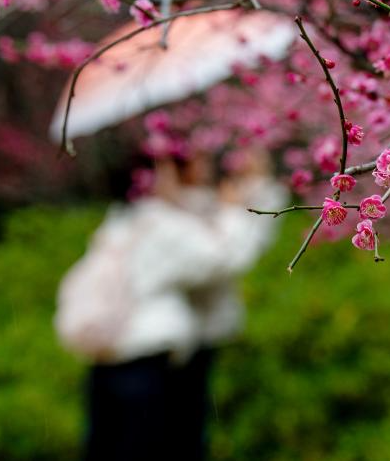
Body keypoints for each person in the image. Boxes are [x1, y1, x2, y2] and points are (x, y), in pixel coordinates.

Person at [54, 151, 285, 460]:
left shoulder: (126, 218)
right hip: (145, 369)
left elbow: (199, 221)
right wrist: (241, 205)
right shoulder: (159, 224)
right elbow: (224, 257)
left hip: (114, 364)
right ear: (162, 172)